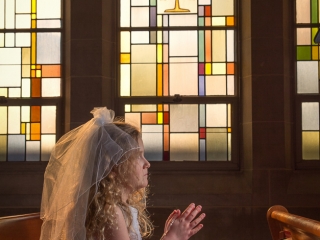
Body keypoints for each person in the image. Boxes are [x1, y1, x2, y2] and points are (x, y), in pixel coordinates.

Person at [39, 107, 205, 240]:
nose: (147, 163)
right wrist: (173, 237)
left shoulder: (111, 208)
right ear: (114, 166)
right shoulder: (110, 212)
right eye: (138, 156)